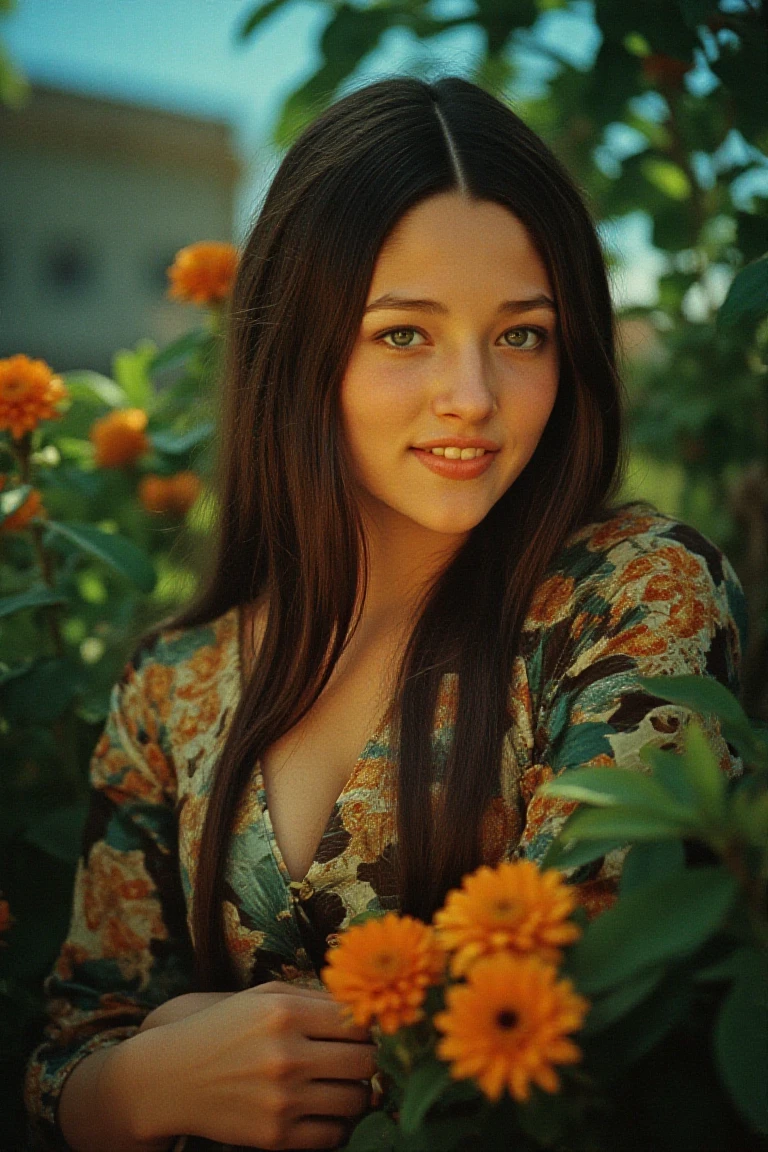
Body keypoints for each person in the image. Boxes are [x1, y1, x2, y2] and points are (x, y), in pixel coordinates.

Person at [24, 75, 746, 1152]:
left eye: (524, 335)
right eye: (405, 335)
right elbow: (65, 1049)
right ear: (300, 349)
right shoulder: (173, 682)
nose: (474, 395)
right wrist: (134, 1089)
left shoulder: (636, 596)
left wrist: (194, 1041)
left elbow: (584, 1001)